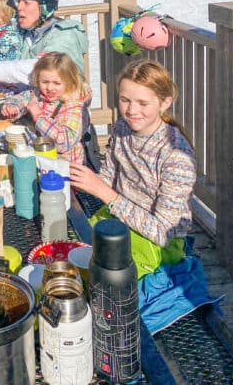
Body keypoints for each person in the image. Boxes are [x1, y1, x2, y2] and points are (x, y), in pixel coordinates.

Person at [69, 60, 196, 279]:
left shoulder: (176, 157)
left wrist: (103, 192)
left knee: (99, 276)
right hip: (119, 219)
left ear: (165, 102)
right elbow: (108, 176)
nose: (131, 110)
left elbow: (162, 233)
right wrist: (79, 180)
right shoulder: (122, 127)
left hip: (159, 248)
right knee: (69, 250)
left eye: (142, 103)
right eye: (125, 100)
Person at [0, 0, 88, 89]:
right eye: (18, 1)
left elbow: (44, 68)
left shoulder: (65, 34)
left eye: (26, 2)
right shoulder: (26, 32)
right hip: (28, 101)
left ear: (45, 7)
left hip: (63, 104)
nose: (19, 7)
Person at [2, 52, 92, 163]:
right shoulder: (38, 95)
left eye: (57, 83)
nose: (49, 88)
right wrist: (13, 107)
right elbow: (21, 98)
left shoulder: (75, 106)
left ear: (70, 82)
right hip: (40, 158)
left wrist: (38, 116)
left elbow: (64, 142)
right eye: (45, 82)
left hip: (66, 166)